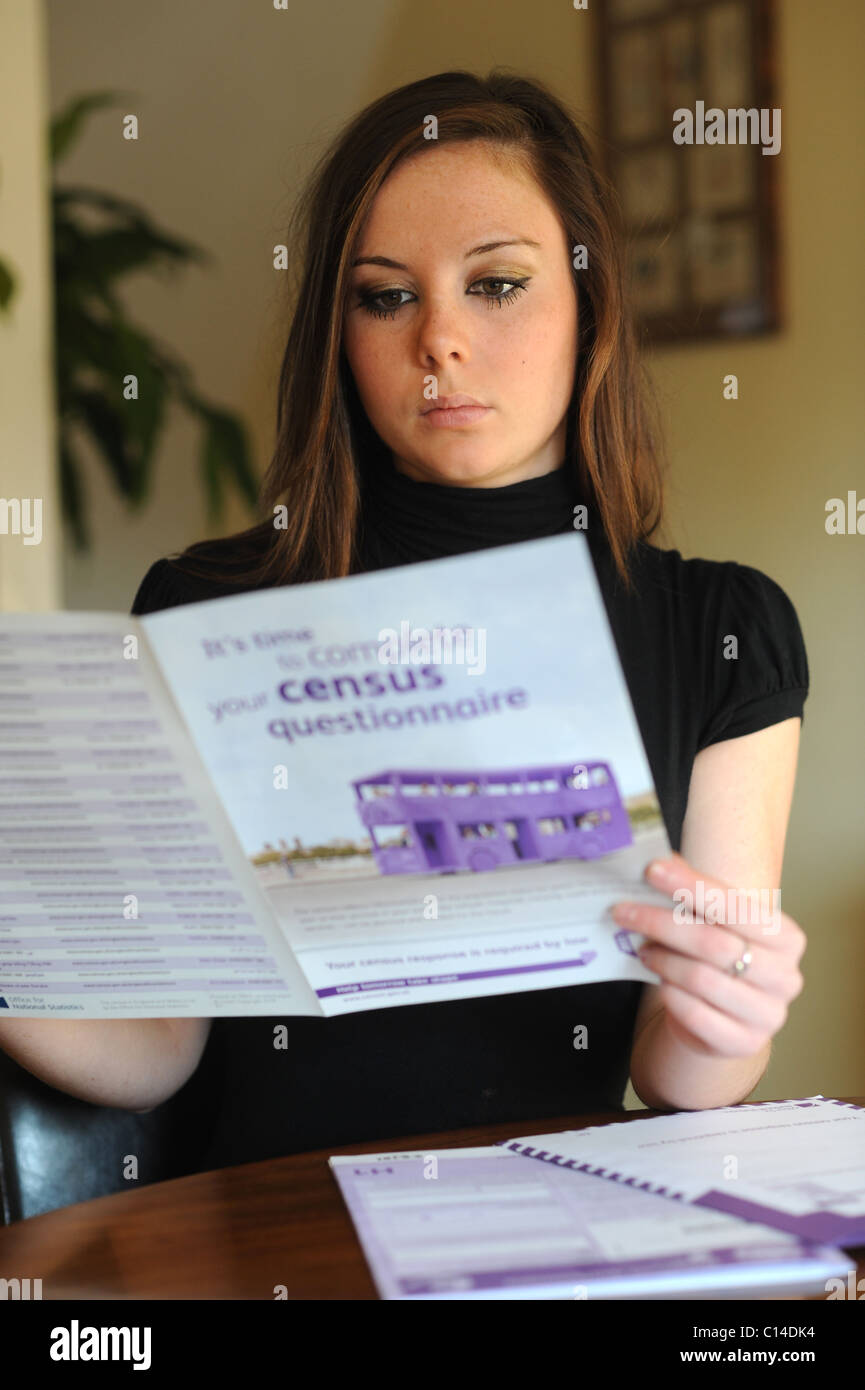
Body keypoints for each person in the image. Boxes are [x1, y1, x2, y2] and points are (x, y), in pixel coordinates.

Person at [0, 70, 808, 1162]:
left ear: (591, 303)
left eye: (497, 283)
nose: (439, 339)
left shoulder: (724, 630)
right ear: (338, 333)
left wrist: (729, 1017)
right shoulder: (204, 613)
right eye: (385, 295)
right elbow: (156, 1043)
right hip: (266, 1233)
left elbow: (674, 1071)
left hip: (562, 1233)